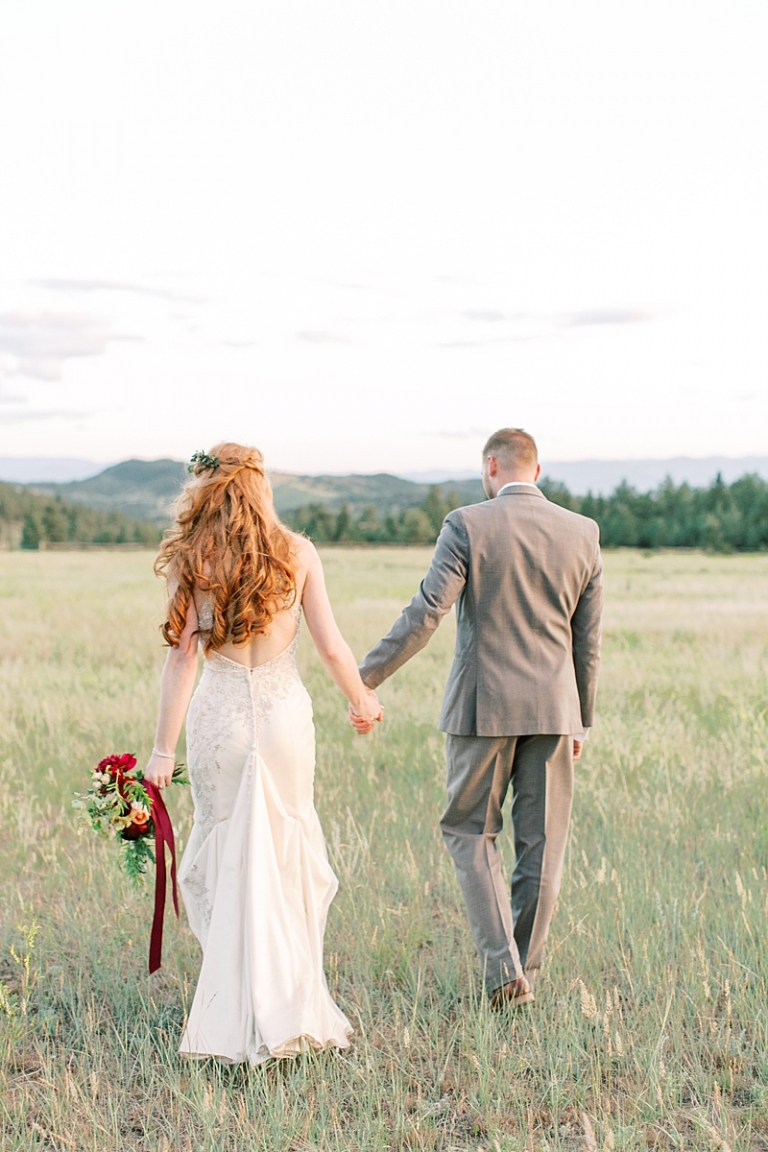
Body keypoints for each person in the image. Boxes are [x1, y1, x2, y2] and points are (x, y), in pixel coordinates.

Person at [144, 443, 382, 1063]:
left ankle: (235, 1006)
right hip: (282, 720)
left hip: (219, 719)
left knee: (228, 851)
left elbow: (181, 659)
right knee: (283, 849)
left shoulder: (195, 560)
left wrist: (161, 750)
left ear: (207, 491)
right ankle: (290, 1004)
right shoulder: (298, 552)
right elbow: (330, 646)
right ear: (261, 487)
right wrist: (361, 698)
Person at [354, 428, 603, 1009]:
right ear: (535, 472)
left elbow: (427, 611)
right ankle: (522, 974)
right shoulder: (584, 533)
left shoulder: (466, 523)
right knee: (542, 845)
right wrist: (581, 720)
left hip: (481, 709)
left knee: (470, 832)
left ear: (491, 466)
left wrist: (363, 678)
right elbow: (587, 644)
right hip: (555, 712)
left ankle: (503, 971)